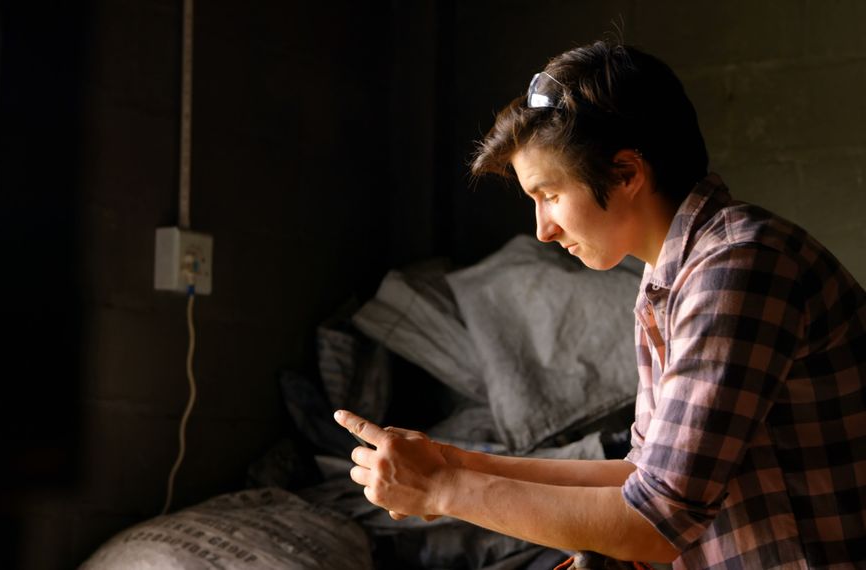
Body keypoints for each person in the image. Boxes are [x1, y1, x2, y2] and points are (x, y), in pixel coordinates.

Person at [334, 41, 865, 569]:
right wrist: (455, 464)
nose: (541, 229)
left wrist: (443, 490)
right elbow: (643, 474)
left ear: (626, 173)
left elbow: (655, 522)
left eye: (550, 195)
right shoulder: (670, 276)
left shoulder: (737, 268)